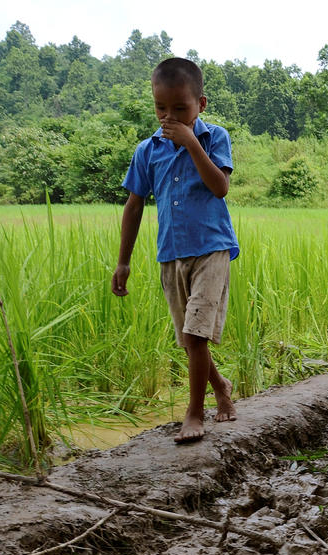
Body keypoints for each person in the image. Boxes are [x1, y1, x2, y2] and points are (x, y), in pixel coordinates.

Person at [111, 57, 239, 443]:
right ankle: (221, 387)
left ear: (201, 104)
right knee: (189, 338)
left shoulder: (215, 137)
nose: (170, 117)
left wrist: (190, 142)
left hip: (212, 248)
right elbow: (134, 205)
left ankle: (195, 413)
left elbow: (220, 187)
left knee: (196, 336)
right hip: (171, 253)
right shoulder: (147, 151)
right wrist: (123, 262)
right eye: (161, 108)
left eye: (180, 109)